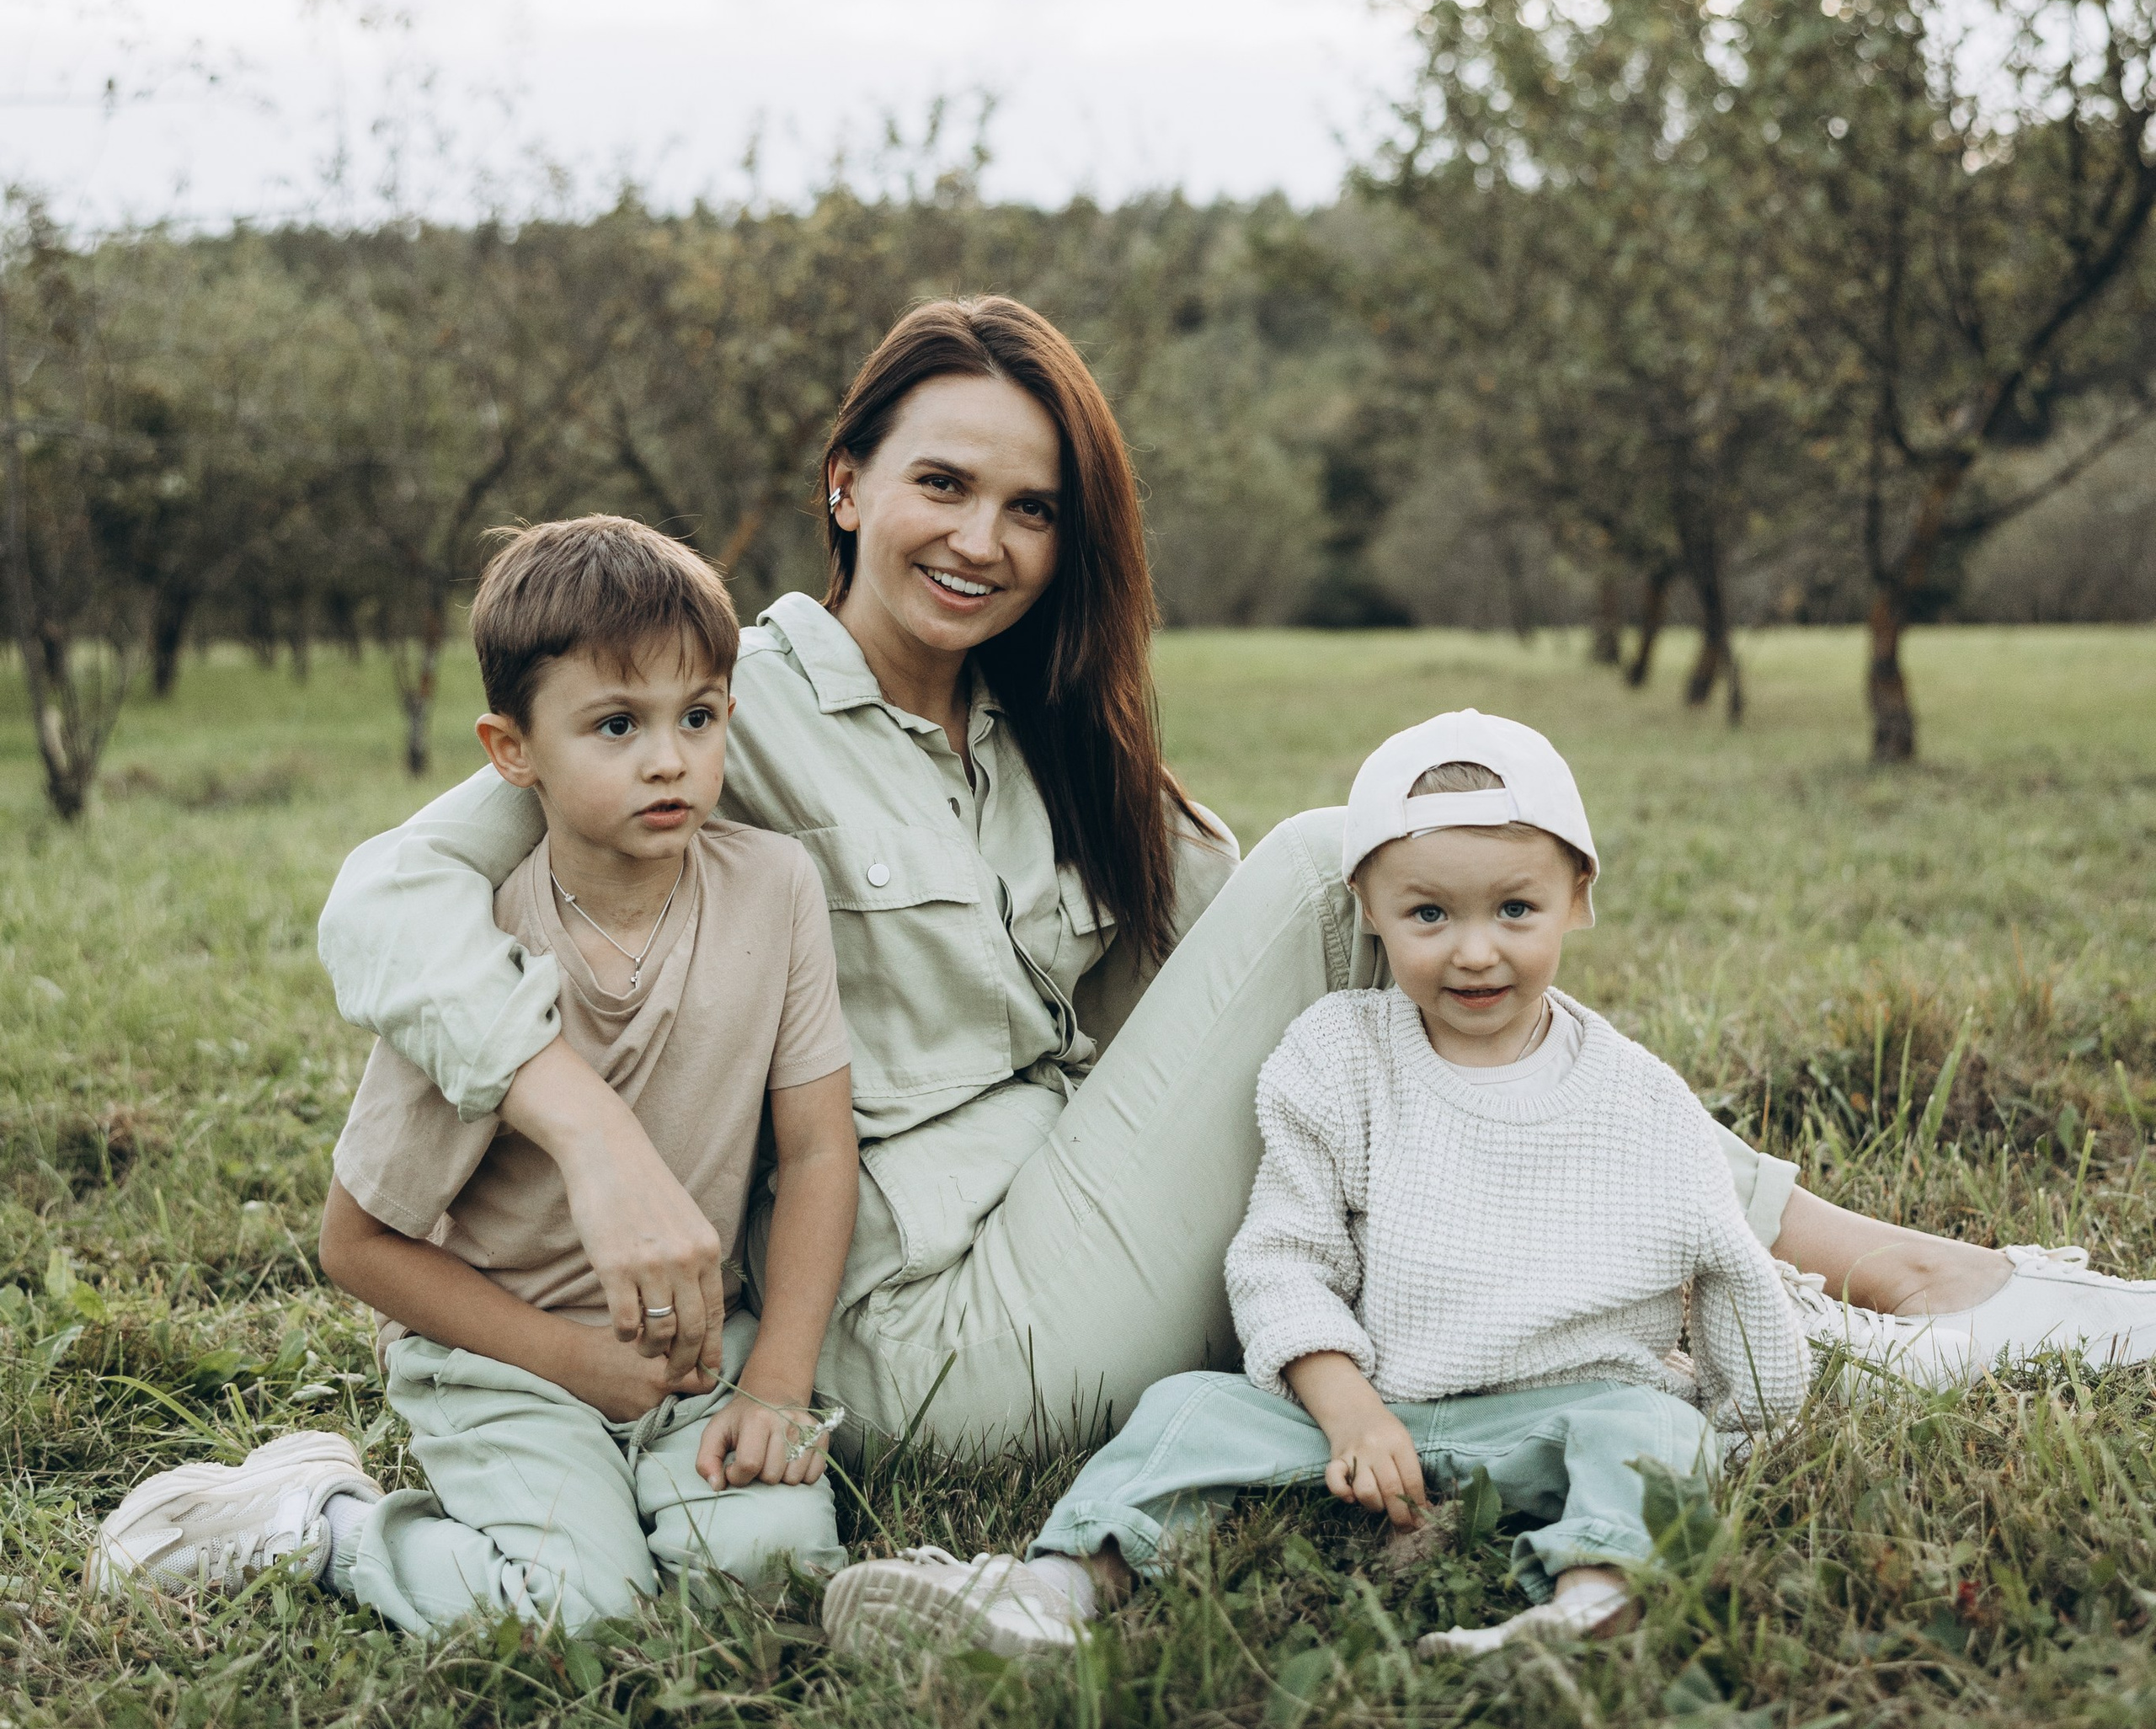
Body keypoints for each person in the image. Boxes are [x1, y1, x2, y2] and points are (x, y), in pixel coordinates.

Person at [307, 297, 2156, 1472]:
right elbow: (380, 903)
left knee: (1374, 931)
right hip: (937, 1321)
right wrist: (593, 1137)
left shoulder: (1033, 735)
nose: (983, 540)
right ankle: (1875, 1268)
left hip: (1090, 1209)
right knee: (1344, 867)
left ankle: (1765, 1275)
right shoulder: (721, 711)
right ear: (845, 484)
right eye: (942, 484)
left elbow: (1289, 976)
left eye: (1034, 509)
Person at [822, 714, 1812, 1661]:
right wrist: (1349, 1412)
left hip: (1558, 1415)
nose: (1474, 950)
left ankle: (1591, 1601)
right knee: (1185, 1411)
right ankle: (1055, 1590)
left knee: (1653, 1431)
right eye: (1428, 914)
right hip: (1366, 1406)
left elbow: (1728, 1267)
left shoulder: (1639, 1095)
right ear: (1368, 908)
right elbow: (1284, 1258)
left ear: (1577, 898)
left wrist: (1751, 1417)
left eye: (1515, 910)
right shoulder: (1336, 1057)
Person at [91, 518, 858, 1630]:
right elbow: (357, 1245)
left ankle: (660, 1495)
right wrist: (575, 1363)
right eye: (616, 724)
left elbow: (820, 1149)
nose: (668, 759)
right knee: (582, 1614)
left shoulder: (775, 888)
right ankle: (324, 1523)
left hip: (703, 1353)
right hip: (504, 1362)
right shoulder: (470, 958)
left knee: (772, 1580)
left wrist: (778, 1382)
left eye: (698, 716)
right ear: (511, 752)